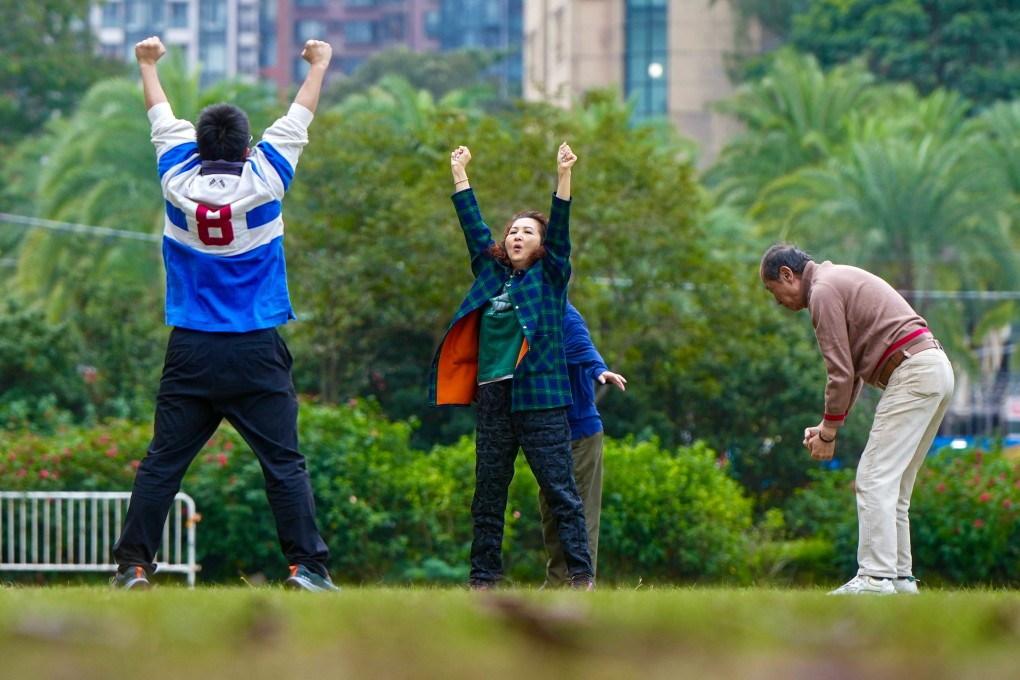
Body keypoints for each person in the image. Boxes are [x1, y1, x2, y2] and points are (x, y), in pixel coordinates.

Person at [111, 36, 338, 592]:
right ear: (245, 146)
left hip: (191, 347)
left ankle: (133, 567)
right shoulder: (266, 178)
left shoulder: (175, 179)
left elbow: (160, 117)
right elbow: (298, 118)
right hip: (256, 346)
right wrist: (319, 64)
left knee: (162, 464)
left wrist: (147, 64)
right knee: (284, 464)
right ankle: (307, 568)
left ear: (198, 143)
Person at [428, 142, 596, 591]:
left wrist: (563, 177)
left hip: (540, 397)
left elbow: (561, 232)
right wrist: (459, 174)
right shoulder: (490, 274)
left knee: (561, 491)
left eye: (528, 233)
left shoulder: (550, 277)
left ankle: (581, 576)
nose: (518, 236)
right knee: (488, 493)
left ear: (541, 247)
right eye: (513, 232)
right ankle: (483, 579)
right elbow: (472, 226)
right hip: (493, 396)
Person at [759, 244, 954, 595]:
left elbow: (839, 371)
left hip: (913, 371)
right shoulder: (836, 279)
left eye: (775, 291)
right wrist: (829, 424)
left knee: (874, 476)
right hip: (934, 369)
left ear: (788, 275)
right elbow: (853, 373)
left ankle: (875, 579)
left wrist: (829, 433)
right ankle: (899, 579)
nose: (778, 302)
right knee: (894, 485)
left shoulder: (822, 291)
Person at [539, 300, 626, 587]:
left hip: (581, 433)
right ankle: (556, 581)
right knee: (551, 511)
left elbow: (583, 347)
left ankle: (581, 583)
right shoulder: (527, 316)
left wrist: (599, 370)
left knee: (580, 512)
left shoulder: (566, 315)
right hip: (549, 435)